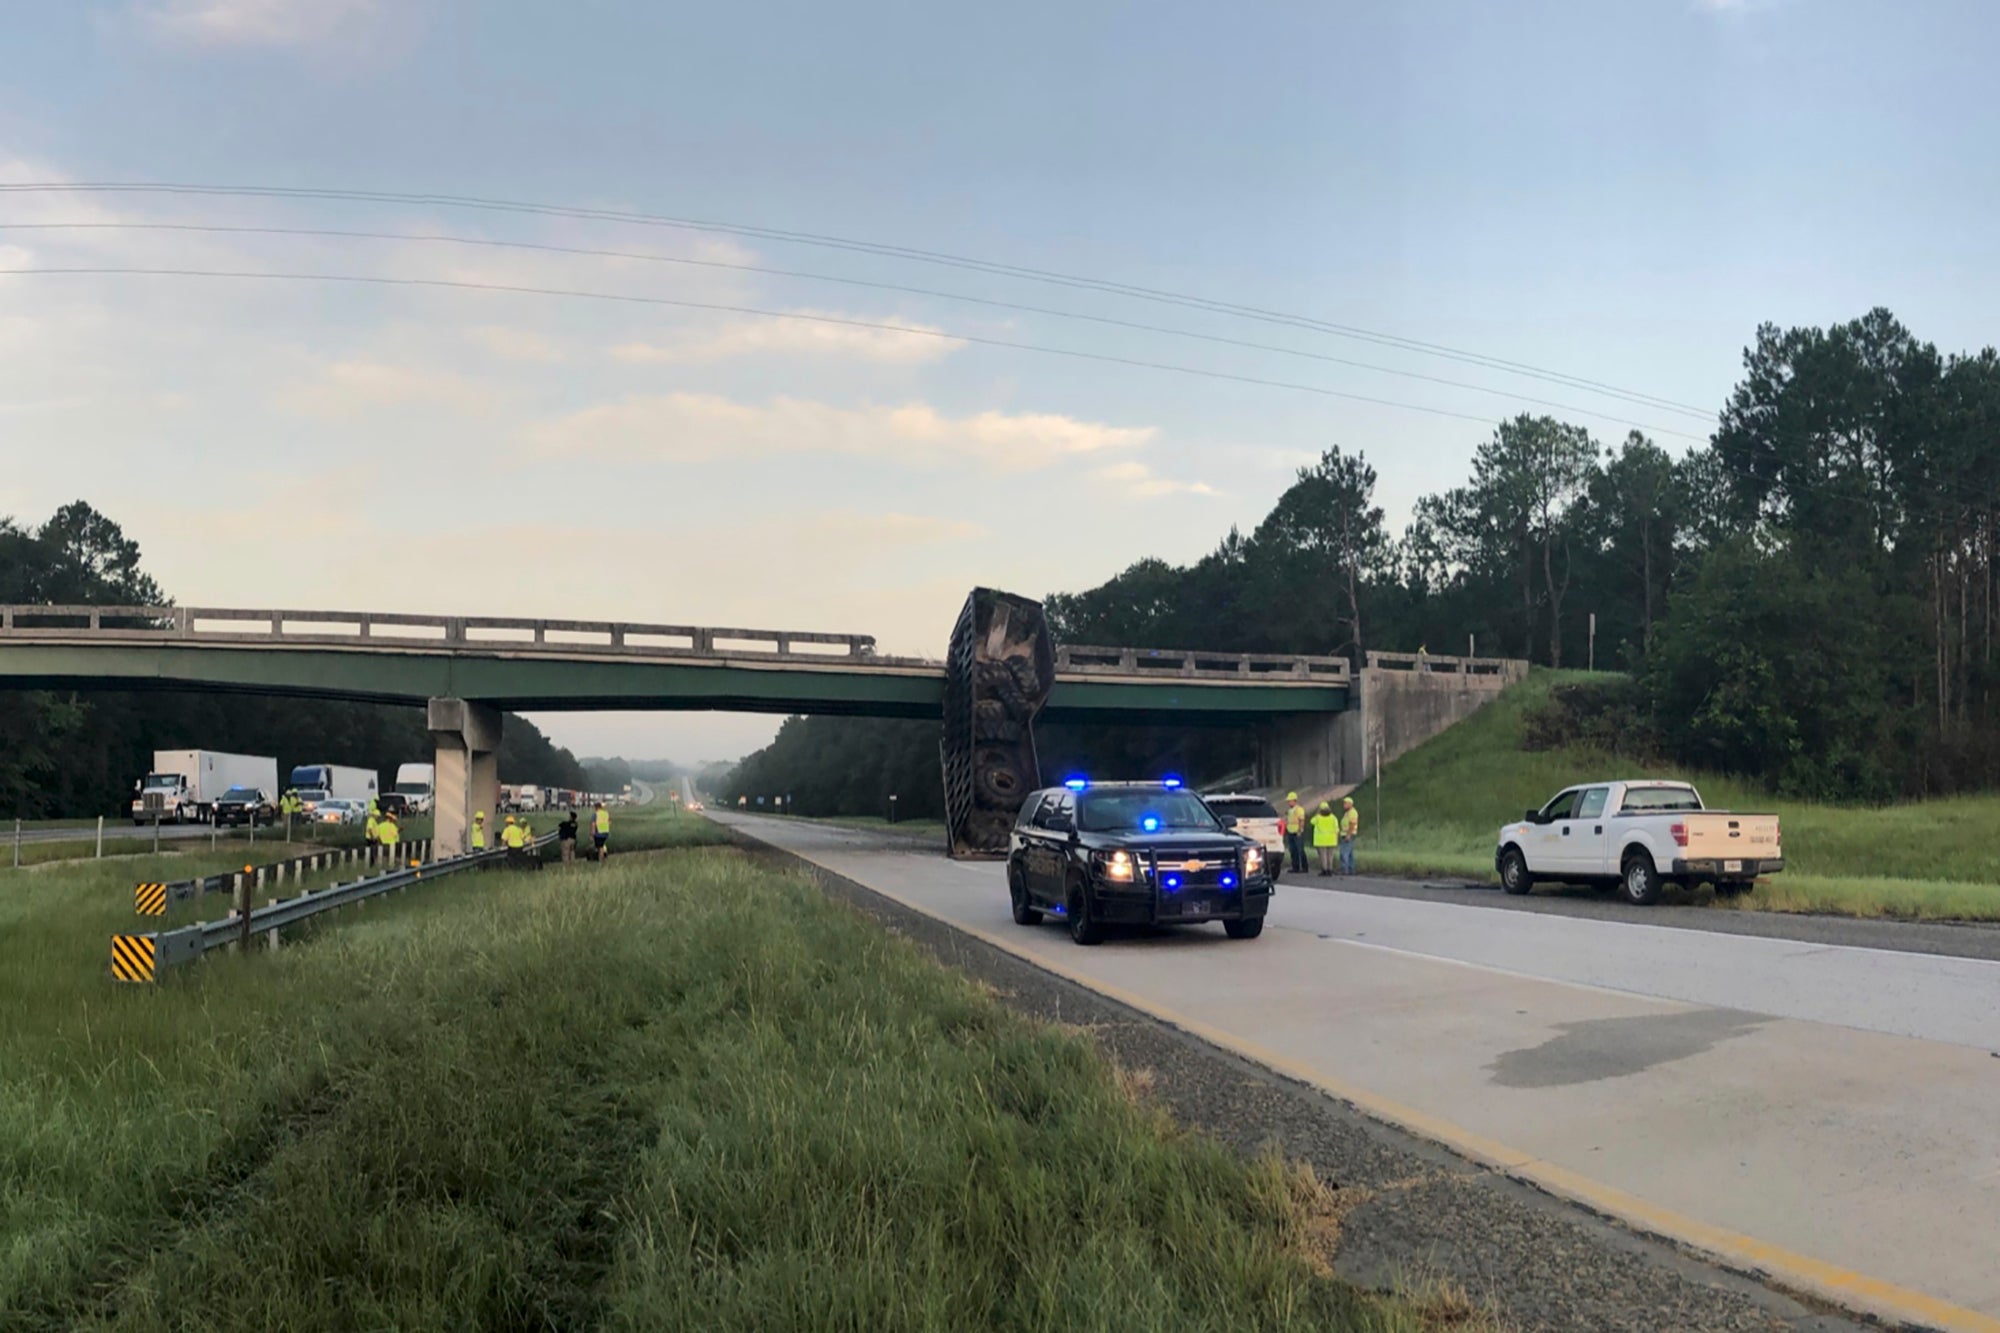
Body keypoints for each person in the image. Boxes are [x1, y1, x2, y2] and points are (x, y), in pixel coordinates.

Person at [1309, 800, 1340, 877]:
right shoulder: (1333, 818)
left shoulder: (1318, 817)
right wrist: (1336, 838)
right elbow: (1337, 829)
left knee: (1323, 856)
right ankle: (1330, 870)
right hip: (1331, 839)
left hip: (1321, 840)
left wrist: (1317, 813)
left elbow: (1311, 822)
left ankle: (1324, 870)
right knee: (1330, 856)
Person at [1283, 791, 1308, 875]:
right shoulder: (1290, 810)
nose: (1289, 802)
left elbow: (1302, 820)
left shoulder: (1299, 809)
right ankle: (1295, 867)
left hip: (1297, 832)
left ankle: (1304, 867)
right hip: (1290, 831)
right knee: (1293, 850)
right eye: (1288, 801)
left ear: (1294, 800)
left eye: (1290, 801)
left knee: (1300, 850)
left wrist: (1300, 830)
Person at [1338, 796, 1360, 875]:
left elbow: (1352, 824)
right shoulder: (1347, 813)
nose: (1344, 805)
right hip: (1345, 834)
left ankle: (1344, 870)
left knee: (1344, 853)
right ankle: (1351, 869)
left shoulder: (1352, 812)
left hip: (1348, 834)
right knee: (1350, 853)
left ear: (1350, 804)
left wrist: (1348, 835)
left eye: (1345, 803)